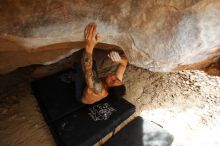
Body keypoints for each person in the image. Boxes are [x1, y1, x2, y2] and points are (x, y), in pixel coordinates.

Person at [76, 22, 128, 104]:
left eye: (112, 81)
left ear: (107, 90)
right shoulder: (117, 83)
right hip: (94, 82)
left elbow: (87, 70)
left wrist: (90, 45)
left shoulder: (98, 89)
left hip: (81, 94)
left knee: (81, 64)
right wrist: (120, 60)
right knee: (92, 63)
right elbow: (124, 64)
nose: (113, 76)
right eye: (117, 79)